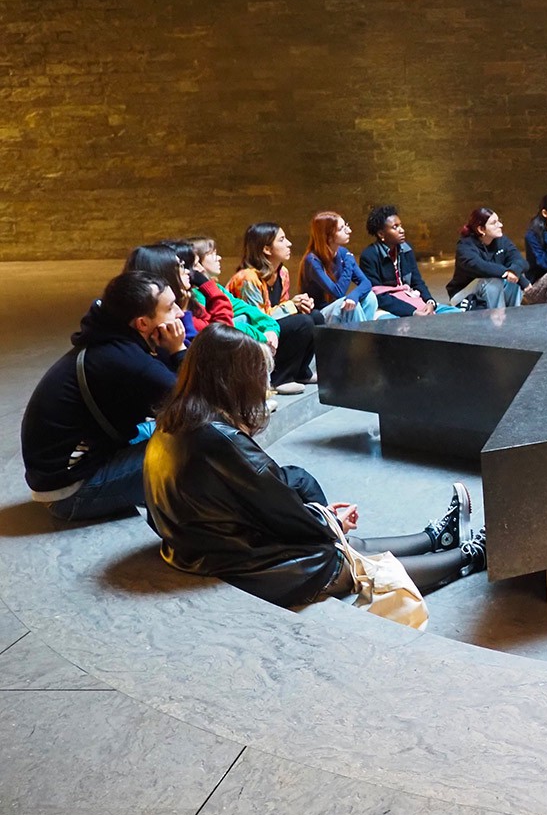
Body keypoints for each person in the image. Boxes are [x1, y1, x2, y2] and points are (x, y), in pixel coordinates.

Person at [143, 324, 486, 608]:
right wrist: (328, 522)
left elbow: (263, 497)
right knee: (342, 560)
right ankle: (470, 556)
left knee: (336, 540)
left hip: (197, 551)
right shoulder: (220, 438)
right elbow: (283, 512)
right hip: (238, 563)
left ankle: (434, 537)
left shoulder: (174, 422)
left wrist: (323, 519)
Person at [21, 271, 186, 521]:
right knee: (194, 442)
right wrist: (178, 350)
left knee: (172, 428)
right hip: (72, 494)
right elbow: (198, 401)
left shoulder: (110, 338)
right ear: (142, 324)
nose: (180, 313)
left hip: (61, 476)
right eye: (171, 307)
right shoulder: (127, 361)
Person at [226, 223, 317, 393]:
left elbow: (281, 306)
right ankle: (280, 378)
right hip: (249, 332)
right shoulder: (248, 278)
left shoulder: (282, 273)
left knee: (315, 316)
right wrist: (292, 306)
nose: (289, 244)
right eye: (282, 240)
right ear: (267, 249)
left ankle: (301, 371)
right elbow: (256, 318)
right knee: (303, 322)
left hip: (270, 325)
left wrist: (300, 304)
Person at [357, 205, 455, 316]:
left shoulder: (406, 249)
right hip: (387, 308)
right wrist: (412, 312)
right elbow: (378, 295)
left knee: (455, 313)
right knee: (393, 323)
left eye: (401, 225)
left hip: (411, 299)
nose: (402, 230)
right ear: (381, 234)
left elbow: (417, 282)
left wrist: (430, 302)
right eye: (395, 227)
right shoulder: (369, 256)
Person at [299, 211, 380, 324]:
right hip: (320, 313)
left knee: (370, 297)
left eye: (346, 225)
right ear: (328, 236)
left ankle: (362, 333)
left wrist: (354, 296)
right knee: (350, 306)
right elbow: (337, 292)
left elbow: (366, 283)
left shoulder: (343, 253)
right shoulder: (312, 261)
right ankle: (363, 334)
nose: (349, 231)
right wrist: (349, 263)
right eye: (341, 229)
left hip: (337, 307)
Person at [446, 208, 529, 309]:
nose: (500, 225)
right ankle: (498, 317)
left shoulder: (501, 240)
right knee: (493, 281)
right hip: (462, 294)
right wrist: (510, 273)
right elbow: (480, 267)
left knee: (514, 276)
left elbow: (519, 260)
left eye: (499, 221)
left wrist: (515, 272)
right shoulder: (465, 246)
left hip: (492, 288)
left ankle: (515, 314)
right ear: (481, 229)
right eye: (494, 223)